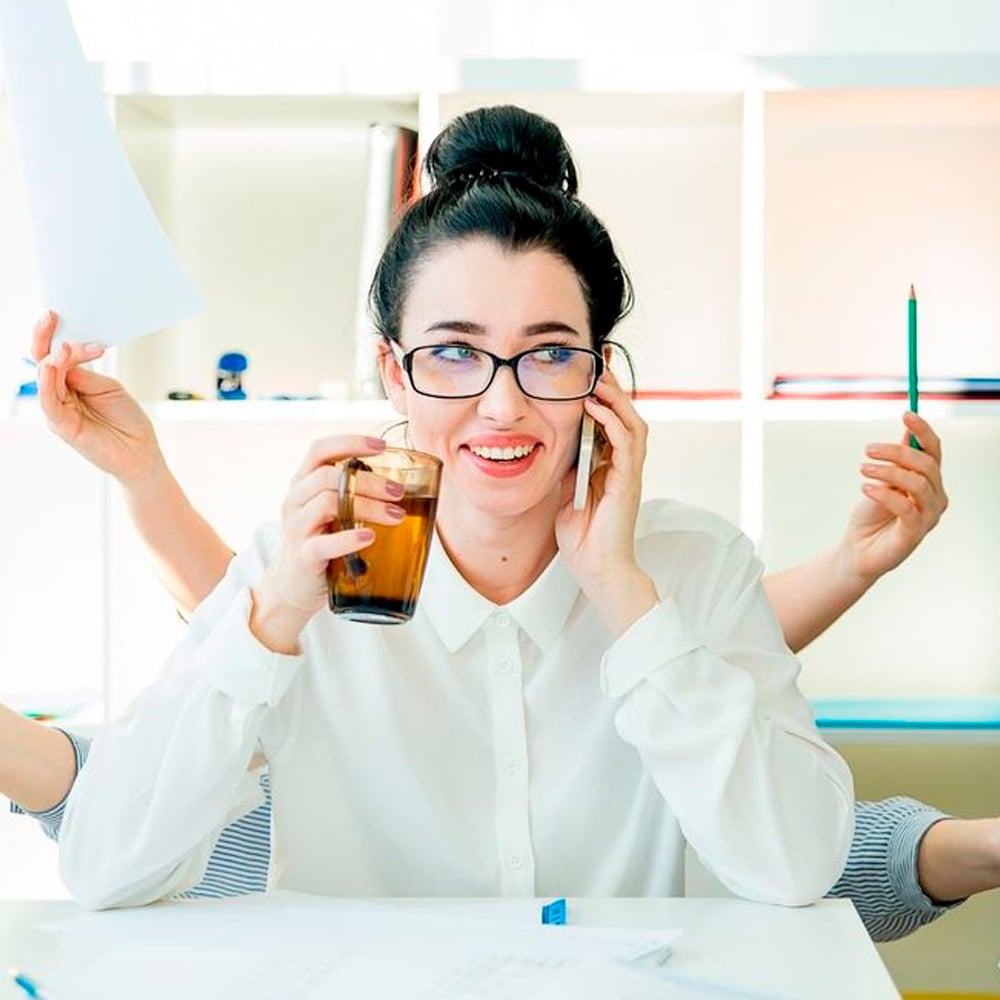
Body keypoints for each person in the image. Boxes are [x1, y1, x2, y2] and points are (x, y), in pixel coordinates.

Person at [46, 104, 857, 910]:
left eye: (547, 353)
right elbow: (106, 866)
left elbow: (797, 864)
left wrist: (621, 591)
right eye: (454, 352)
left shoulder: (696, 566)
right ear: (394, 373)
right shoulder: (302, 568)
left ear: (600, 376)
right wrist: (272, 618)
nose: (501, 404)